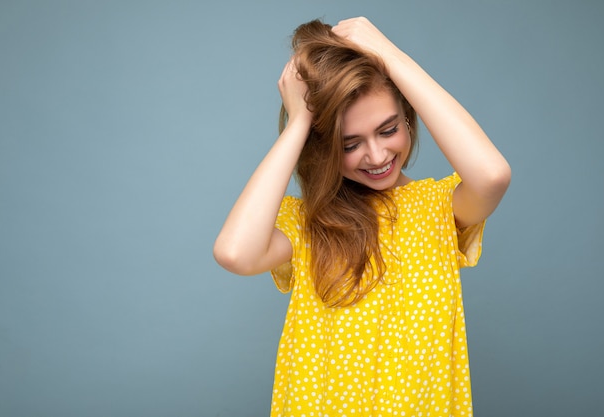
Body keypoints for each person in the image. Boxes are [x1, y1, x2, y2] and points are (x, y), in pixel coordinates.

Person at [213, 16, 510, 417]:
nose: (376, 155)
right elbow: (236, 254)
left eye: (388, 130)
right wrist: (299, 122)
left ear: (408, 116)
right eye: (350, 144)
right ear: (323, 148)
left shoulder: (438, 207)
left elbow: (492, 175)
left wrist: (390, 57)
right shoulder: (307, 222)